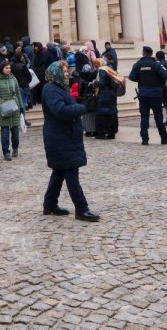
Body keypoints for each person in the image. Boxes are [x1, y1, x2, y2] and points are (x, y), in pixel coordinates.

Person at [41, 62, 99, 221]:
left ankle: (50, 204)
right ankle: (81, 209)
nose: (67, 73)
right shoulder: (52, 89)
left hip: (64, 136)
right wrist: (81, 108)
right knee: (71, 172)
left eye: (67, 71)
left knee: (60, 171)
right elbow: (59, 111)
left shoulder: (59, 87)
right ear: (56, 73)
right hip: (60, 137)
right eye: (64, 71)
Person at [128, 47, 167, 146]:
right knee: (158, 117)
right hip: (155, 94)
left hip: (143, 94)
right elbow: (166, 75)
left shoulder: (138, 64)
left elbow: (131, 77)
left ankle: (144, 139)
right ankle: (164, 138)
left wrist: (141, 79)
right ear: (151, 54)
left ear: (143, 53)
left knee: (144, 117)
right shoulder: (156, 64)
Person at [0, 59, 24, 160]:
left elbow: (18, 93)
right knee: (5, 132)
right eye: (6, 68)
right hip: (3, 109)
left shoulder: (13, 79)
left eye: (9, 68)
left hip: (14, 108)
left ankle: (15, 148)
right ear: (1, 68)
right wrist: (0, 101)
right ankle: (6, 152)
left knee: (15, 132)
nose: (8, 70)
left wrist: (21, 106)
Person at [93, 58, 124, 140]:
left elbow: (102, 83)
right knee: (111, 114)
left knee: (101, 115)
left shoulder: (102, 70)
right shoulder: (109, 69)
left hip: (103, 96)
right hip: (111, 95)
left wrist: (95, 83)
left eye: (96, 63)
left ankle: (101, 134)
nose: (95, 65)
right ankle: (111, 133)